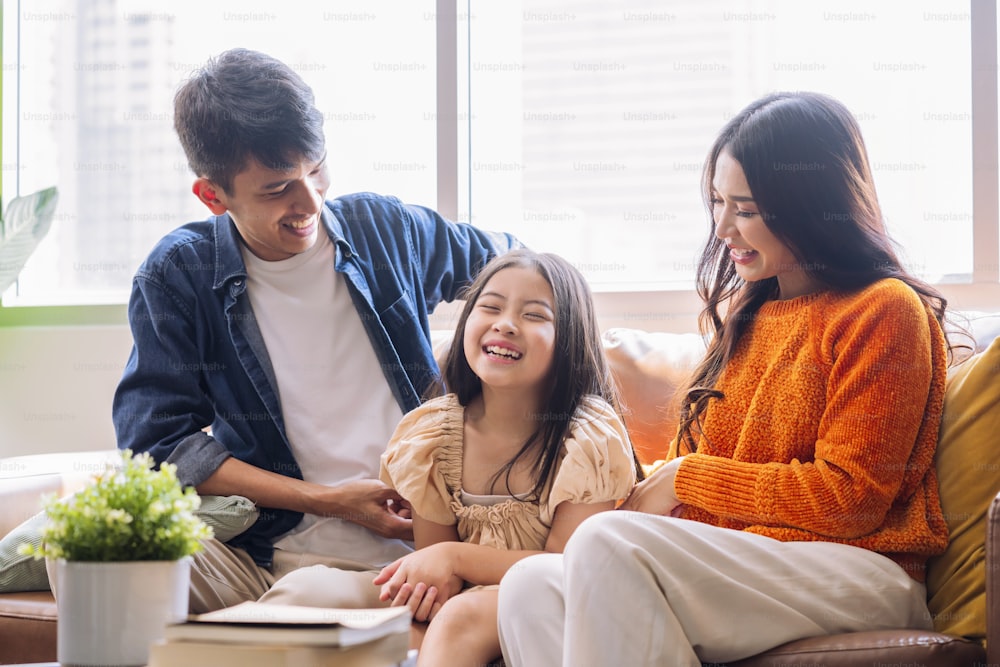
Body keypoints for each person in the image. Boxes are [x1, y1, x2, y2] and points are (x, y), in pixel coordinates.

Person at [496, 91, 956, 666]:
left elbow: (850, 500)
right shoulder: (748, 319)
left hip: (862, 568)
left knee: (604, 544)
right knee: (530, 586)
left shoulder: (882, 310)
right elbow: (701, 486)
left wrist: (686, 477)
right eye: (717, 202)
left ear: (811, 206)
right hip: (748, 562)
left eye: (746, 208)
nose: (722, 228)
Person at [111, 48, 519, 613]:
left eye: (317, 168)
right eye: (278, 188)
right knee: (101, 554)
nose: (311, 201)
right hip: (268, 554)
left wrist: (483, 373)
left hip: (432, 548)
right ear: (213, 196)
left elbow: (520, 268)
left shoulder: (384, 229)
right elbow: (158, 447)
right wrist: (327, 501)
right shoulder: (180, 274)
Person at [374, 248, 640, 666]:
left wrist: (455, 557)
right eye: (491, 307)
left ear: (569, 339)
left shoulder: (585, 436)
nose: (505, 324)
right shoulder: (430, 436)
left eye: (534, 315)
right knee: (390, 623)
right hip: (463, 593)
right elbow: (436, 575)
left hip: (548, 594)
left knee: (460, 618)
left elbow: (564, 567)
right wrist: (436, 574)